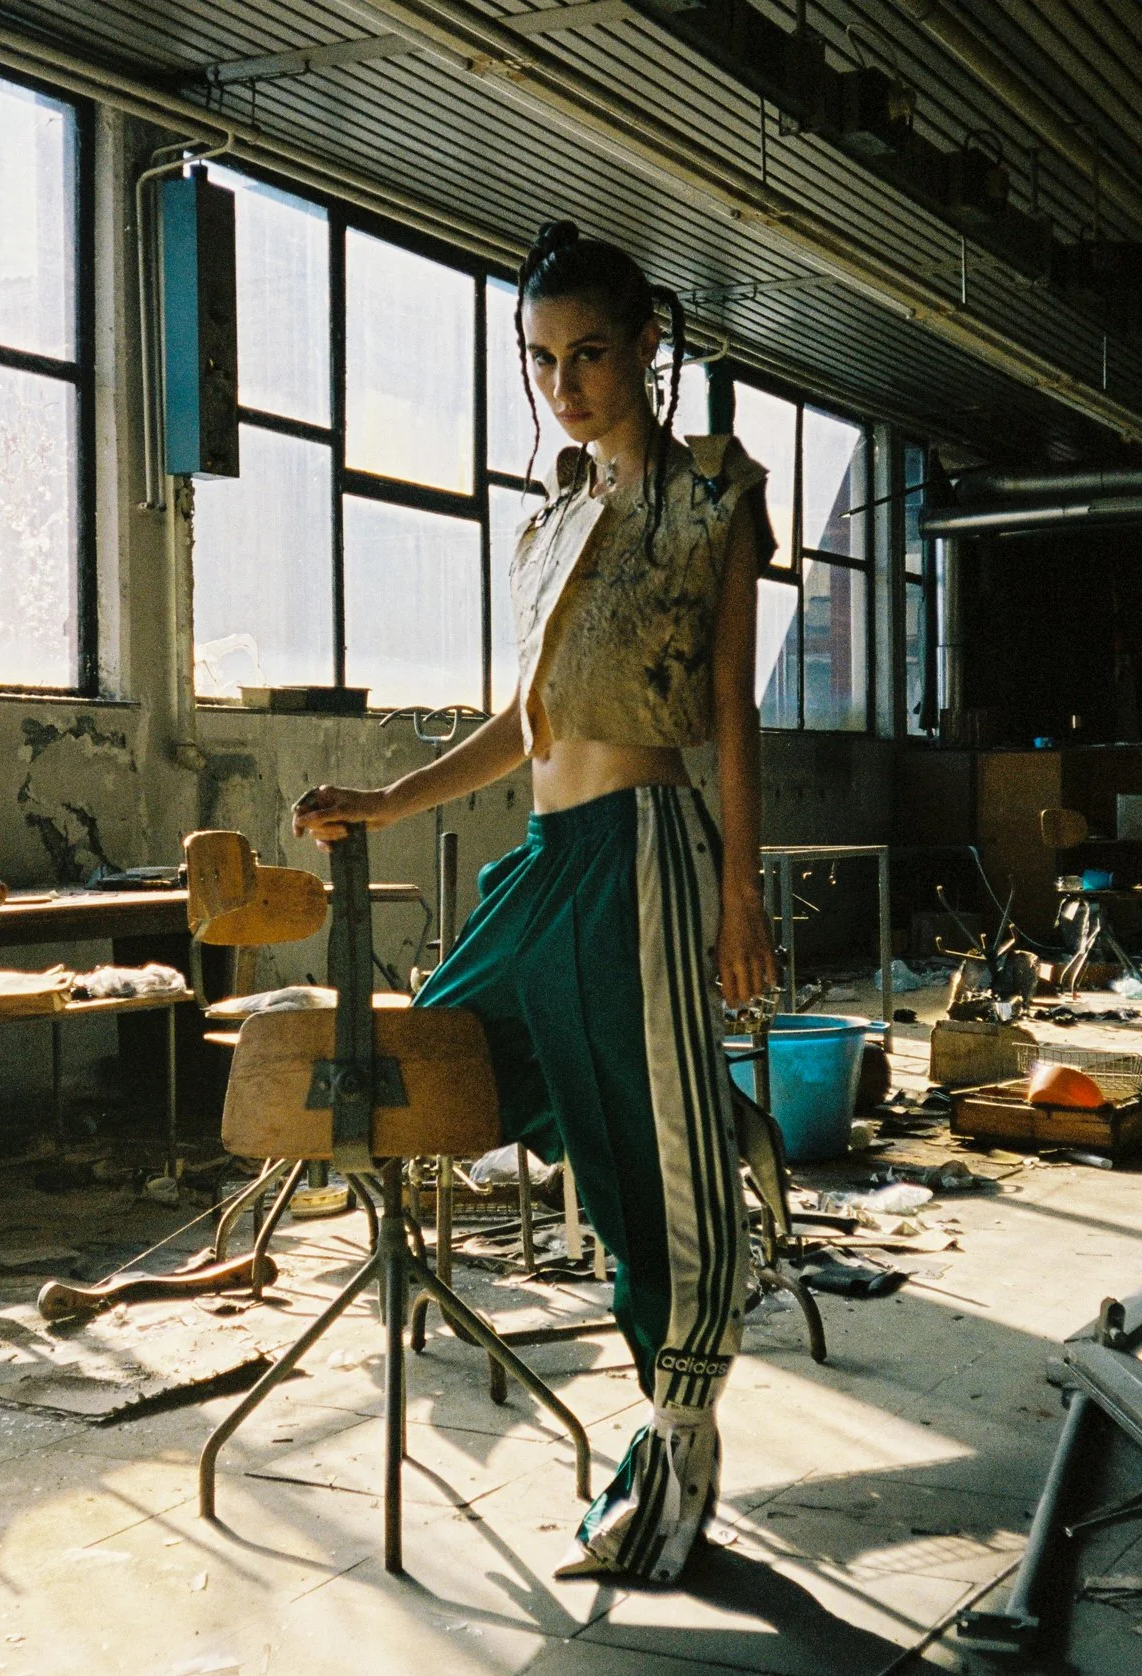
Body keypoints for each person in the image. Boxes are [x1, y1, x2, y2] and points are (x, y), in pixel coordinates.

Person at [292, 220, 779, 1584]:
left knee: (651, 1169)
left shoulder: (710, 496)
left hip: (644, 853)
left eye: (592, 354)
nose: (565, 385)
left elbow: (732, 712)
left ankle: (676, 1450)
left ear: (649, 348)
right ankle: (700, 1132)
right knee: (430, 1067)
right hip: (550, 861)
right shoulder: (551, 521)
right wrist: (387, 799)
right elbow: (527, 722)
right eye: (541, 360)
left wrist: (740, 892)